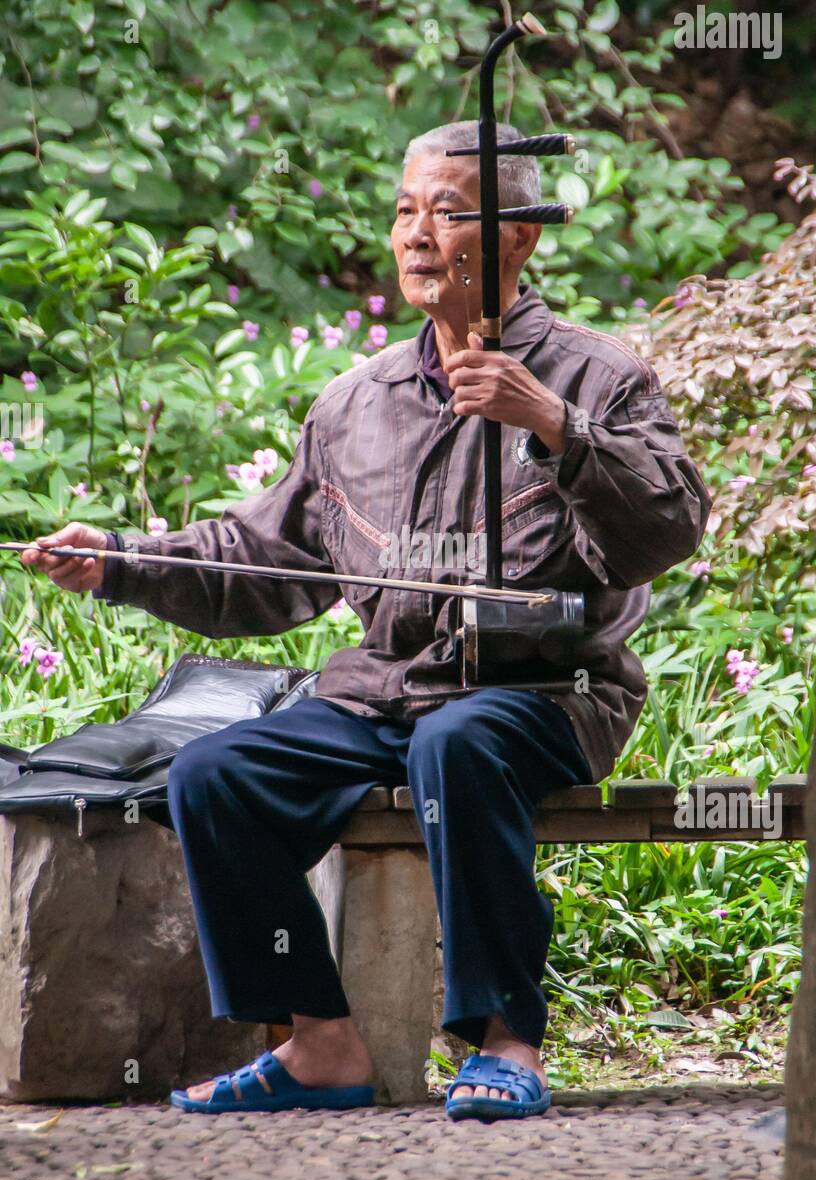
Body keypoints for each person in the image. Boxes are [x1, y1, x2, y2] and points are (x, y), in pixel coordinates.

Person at [22, 121, 711, 1121]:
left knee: (460, 740)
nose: (419, 231)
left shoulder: (595, 379)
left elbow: (669, 524)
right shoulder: (357, 403)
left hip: (541, 691)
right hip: (385, 691)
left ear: (518, 237)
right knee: (216, 774)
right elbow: (263, 562)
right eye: (405, 210)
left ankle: (504, 1037)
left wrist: (552, 425)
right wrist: (118, 562)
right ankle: (317, 1042)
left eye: (449, 209)